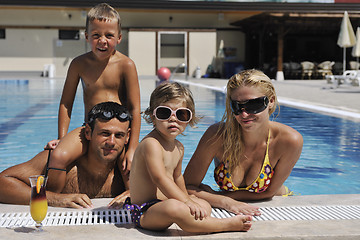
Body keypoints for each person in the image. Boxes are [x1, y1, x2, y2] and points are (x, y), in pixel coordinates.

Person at [123, 82, 253, 233]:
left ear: (189, 119)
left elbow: (178, 178)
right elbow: (160, 178)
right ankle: (225, 225)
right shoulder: (151, 144)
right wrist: (185, 202)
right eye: (164, 113)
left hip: (163, 204)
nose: (173, 119)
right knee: (176, 207)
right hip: (144, 211)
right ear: (153, 115)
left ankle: (201, 220)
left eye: (181, 114)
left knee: (203, 205)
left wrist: (189, 200)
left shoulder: (179, 147)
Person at [184, 69, 303, 216]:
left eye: (254, 105)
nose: (244, 114)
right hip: (233, 210)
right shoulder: (218, 135)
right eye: (237, 107)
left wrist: (218, 196)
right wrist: (226, 203)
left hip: (277, 207)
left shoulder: (289, 140)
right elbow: (186, 186)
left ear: (271, 101)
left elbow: (268, 193)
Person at [49, 3, 140, 176]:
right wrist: (62, 138)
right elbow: (66, 103)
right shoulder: (78, 64)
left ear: (119, 38)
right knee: (58, 156)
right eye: (96, 35)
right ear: (87, 36)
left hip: (118, 130)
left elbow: (135, 108)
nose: (103, 40)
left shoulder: (126, 65)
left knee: (130, 170)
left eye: (109, 35)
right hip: (89, 128)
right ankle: (57, 198)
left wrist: (133, 147)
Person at [0, 102, 131, 209]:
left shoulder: (127, 168)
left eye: (119, 135)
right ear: (88, 133)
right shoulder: (62, 163)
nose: (111, 142)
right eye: (105, 133)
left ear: (127, 137)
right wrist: (54, 199)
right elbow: (3, 182)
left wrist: (138, 194)